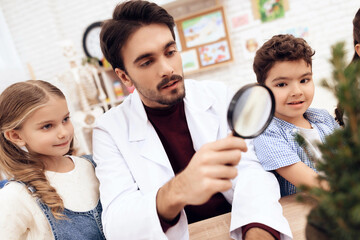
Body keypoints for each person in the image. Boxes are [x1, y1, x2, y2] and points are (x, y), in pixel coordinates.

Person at [93, 1, 292, 239]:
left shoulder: (218, 96)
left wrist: (258, 231)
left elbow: (251, 172)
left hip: (235, 226)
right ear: (125, 76)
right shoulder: (108, 130)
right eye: (147, 62)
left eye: (170, 52)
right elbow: (117, 223)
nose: (167, 68)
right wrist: (178, 190)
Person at [0, 80, 106, 239]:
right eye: (47, 126)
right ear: (15, 136)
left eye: (65, 119)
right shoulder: (16, 196)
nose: (63, 132)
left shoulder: (94, 166)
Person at [252, 34, 340, 197]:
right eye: (282, 84)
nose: (297, 92)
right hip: (305, 212)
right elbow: (311, 183)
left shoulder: (322, 118)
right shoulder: (267, 132)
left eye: (304, 80)